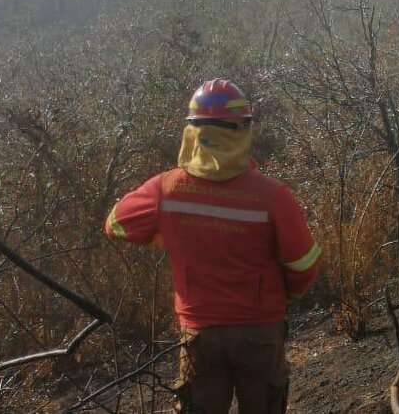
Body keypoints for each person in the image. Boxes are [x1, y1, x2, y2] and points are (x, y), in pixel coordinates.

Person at [105, 79, 321, 413]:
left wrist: (162, 234)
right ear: (243, 131)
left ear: (193, 133)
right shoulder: (273, 196)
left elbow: (116, 223)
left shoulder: (165, 190)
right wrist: (286, 294)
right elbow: (304, 264)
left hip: (199, 335)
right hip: (260, 332)